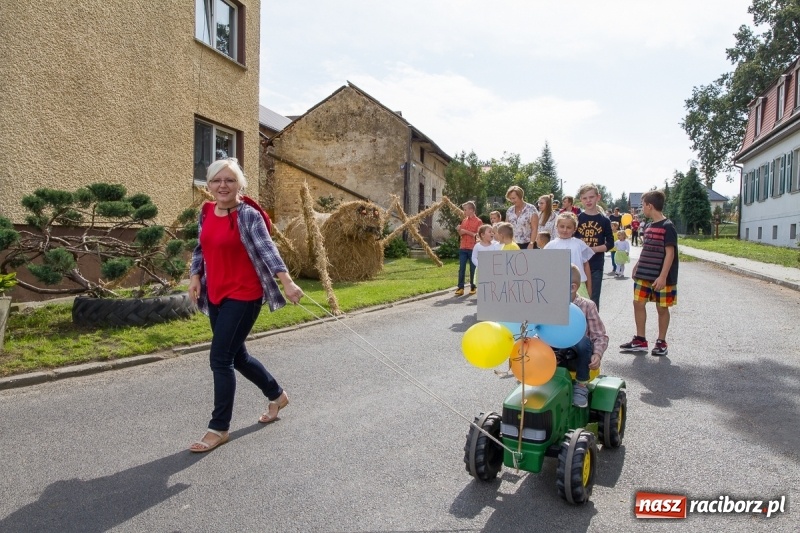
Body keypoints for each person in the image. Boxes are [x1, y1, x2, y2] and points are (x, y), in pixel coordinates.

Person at [188, 158, 303, 453]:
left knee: (220, 358)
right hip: (216, 294)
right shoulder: (206, 212)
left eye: (229, 180)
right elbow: (201, 247)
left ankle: (219, 428)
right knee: (237, 356)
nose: (222, 186)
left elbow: (268, 250)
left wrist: (287, 282)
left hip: (244, 294)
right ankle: (277, 395)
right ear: (209, 185)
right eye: (216, 180)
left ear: (240, 184)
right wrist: (195, 277)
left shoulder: (249, 216)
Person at [620, 190, 678, 357]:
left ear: (649, 206)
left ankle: (661, 342)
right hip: (644, 274)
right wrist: (637, 265)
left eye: (643, 205)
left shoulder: (668, 226)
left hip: (662, 277)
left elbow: (670, 253)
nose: (641, 209)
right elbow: (646, 248)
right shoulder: (649, 226)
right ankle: (640, 340)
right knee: (638, 303)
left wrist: (663, 276)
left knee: (662, 308)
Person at [566, 264, 607, 407]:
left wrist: (597, 354)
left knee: (582, 340)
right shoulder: (550, 306)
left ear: (572, 287)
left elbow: (600, 335)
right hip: (554, 353)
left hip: (579, 357)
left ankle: (581, 385)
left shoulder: (587, 306)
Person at [575, 184, 614, 311]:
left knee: (593, 298)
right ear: (581, 200)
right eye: (585, 198)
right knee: (576, 298)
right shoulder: (577, 219)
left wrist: (593, 249)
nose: (588, 201)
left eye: (591, 197)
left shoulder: (604, 220)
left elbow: (610, 243)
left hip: (596, 265)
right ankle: (579, 327)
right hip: (578, 265)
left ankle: (594, 328)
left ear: (598, 197)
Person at [543, 212, 593, 296]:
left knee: (580, 308)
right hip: (557, 286)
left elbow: (586, 266)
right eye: (562, 226)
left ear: (574, 229)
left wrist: (589, 287)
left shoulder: (579, 244)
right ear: (556, 227)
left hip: (579, 286)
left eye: (569, 227)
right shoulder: (550, 246)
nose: (565, 230)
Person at [455, 201, 483, 296]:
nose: (464, 211)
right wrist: (459, 230)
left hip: (473, 248)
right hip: (463, 247)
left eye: (465, 210)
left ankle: (473, 286)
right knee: (461, 268)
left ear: (471, 210)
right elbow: (461, 234)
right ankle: (460, 287)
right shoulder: (464, 220)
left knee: (472, 268)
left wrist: (466, 231)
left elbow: (479, 235)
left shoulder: (478, 221)